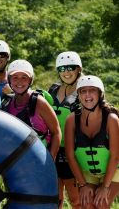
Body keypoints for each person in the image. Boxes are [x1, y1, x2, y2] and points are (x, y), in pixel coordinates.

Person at [65, 75, 119, 208]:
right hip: (88, 172)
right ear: (78, 95)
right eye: (83, 91)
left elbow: (115, 156)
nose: (87, 95)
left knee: (101, 204)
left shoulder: (111, 119)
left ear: (100, 94)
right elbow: (70, 156)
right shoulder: (71, 120)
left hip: (114, 170)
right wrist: (82, 184)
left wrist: (105, 187)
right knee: (87, 204)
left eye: (92, 90)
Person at [2, 59, 61, 159]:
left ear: (30, 80)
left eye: (24, 77)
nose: (19, 81)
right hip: (15, 161)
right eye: (15, 77)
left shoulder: (39, 102)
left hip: (39, 160)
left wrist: (51, 160)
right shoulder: (7, 103)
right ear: (9, 80)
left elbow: (56, 132)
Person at [49, 51, 83, 208]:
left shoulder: (85, 92)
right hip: (53, 149)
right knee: (56, 200)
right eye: (62, 69)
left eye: (70, 68)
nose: (66, 72)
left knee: (77, 200)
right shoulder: (53, 90)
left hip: (74, 152)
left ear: (78, 69)